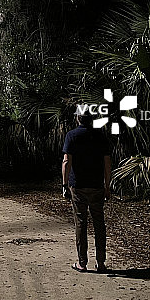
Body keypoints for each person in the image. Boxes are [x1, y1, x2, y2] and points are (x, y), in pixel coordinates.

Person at [62, 110, 112, 273]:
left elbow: (66, 161)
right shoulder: (101, 136)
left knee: (81, 223)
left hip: (78, 186)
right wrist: (107, 186)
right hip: (97, 185)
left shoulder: (71, 136)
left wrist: (64, 184)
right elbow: (107, 163)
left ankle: (82, 262)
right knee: (99, 224)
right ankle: (101, 262)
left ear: (78, 118)